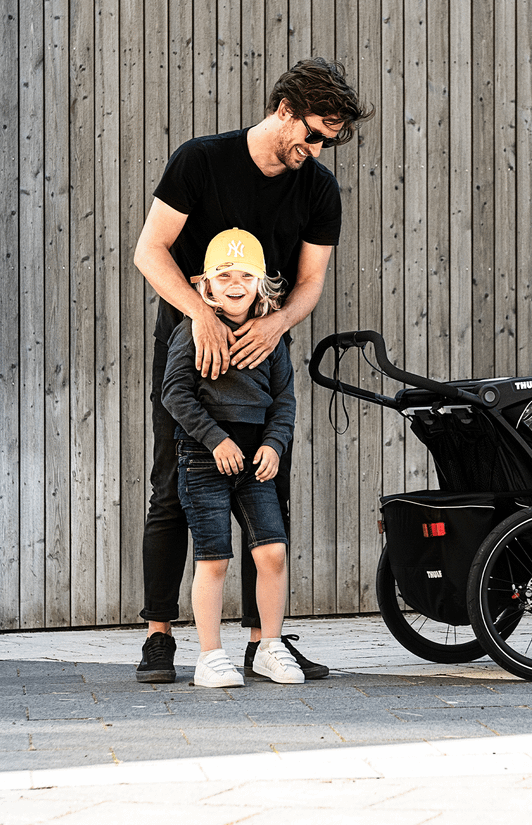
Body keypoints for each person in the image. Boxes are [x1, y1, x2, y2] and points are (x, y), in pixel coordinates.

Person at [134, 58, 374, 683]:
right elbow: (149, 250)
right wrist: (201, 319)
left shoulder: (317, 189)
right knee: (173, 488)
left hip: (263, 351)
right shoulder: (201, 161)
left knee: (265, 487)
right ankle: (159, 637)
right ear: (287, 108)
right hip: (192, 341)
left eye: (333, 140)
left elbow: (310, 281)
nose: (320, 149)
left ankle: (263, 642)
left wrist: (275, 326)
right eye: (316, 134)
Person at [162, 228, 301, 686]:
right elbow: (175, 395)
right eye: (224, 275)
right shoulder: (192, 330)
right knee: (214, 557)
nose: (235, 283)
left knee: (273, 552)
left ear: (261, 283)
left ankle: (270, 646)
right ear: (206, 285)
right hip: (205, 458)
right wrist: (215, 439)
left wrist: (274, 444)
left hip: (256, 459)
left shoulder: (270, 338)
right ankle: (209, 655)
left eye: (245, 274)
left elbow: (284, 401)